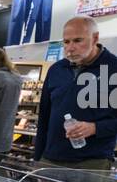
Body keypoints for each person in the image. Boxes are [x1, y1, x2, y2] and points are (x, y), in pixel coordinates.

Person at [33, 17, 117, 170]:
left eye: (78, 40)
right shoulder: (56, 70)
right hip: (50, 159)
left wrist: (95, 128)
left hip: (91, 163)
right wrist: (37, 158)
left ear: (95, 38)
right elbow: (44, 117)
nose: (70, 48)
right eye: (66, 42)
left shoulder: (113, 69)